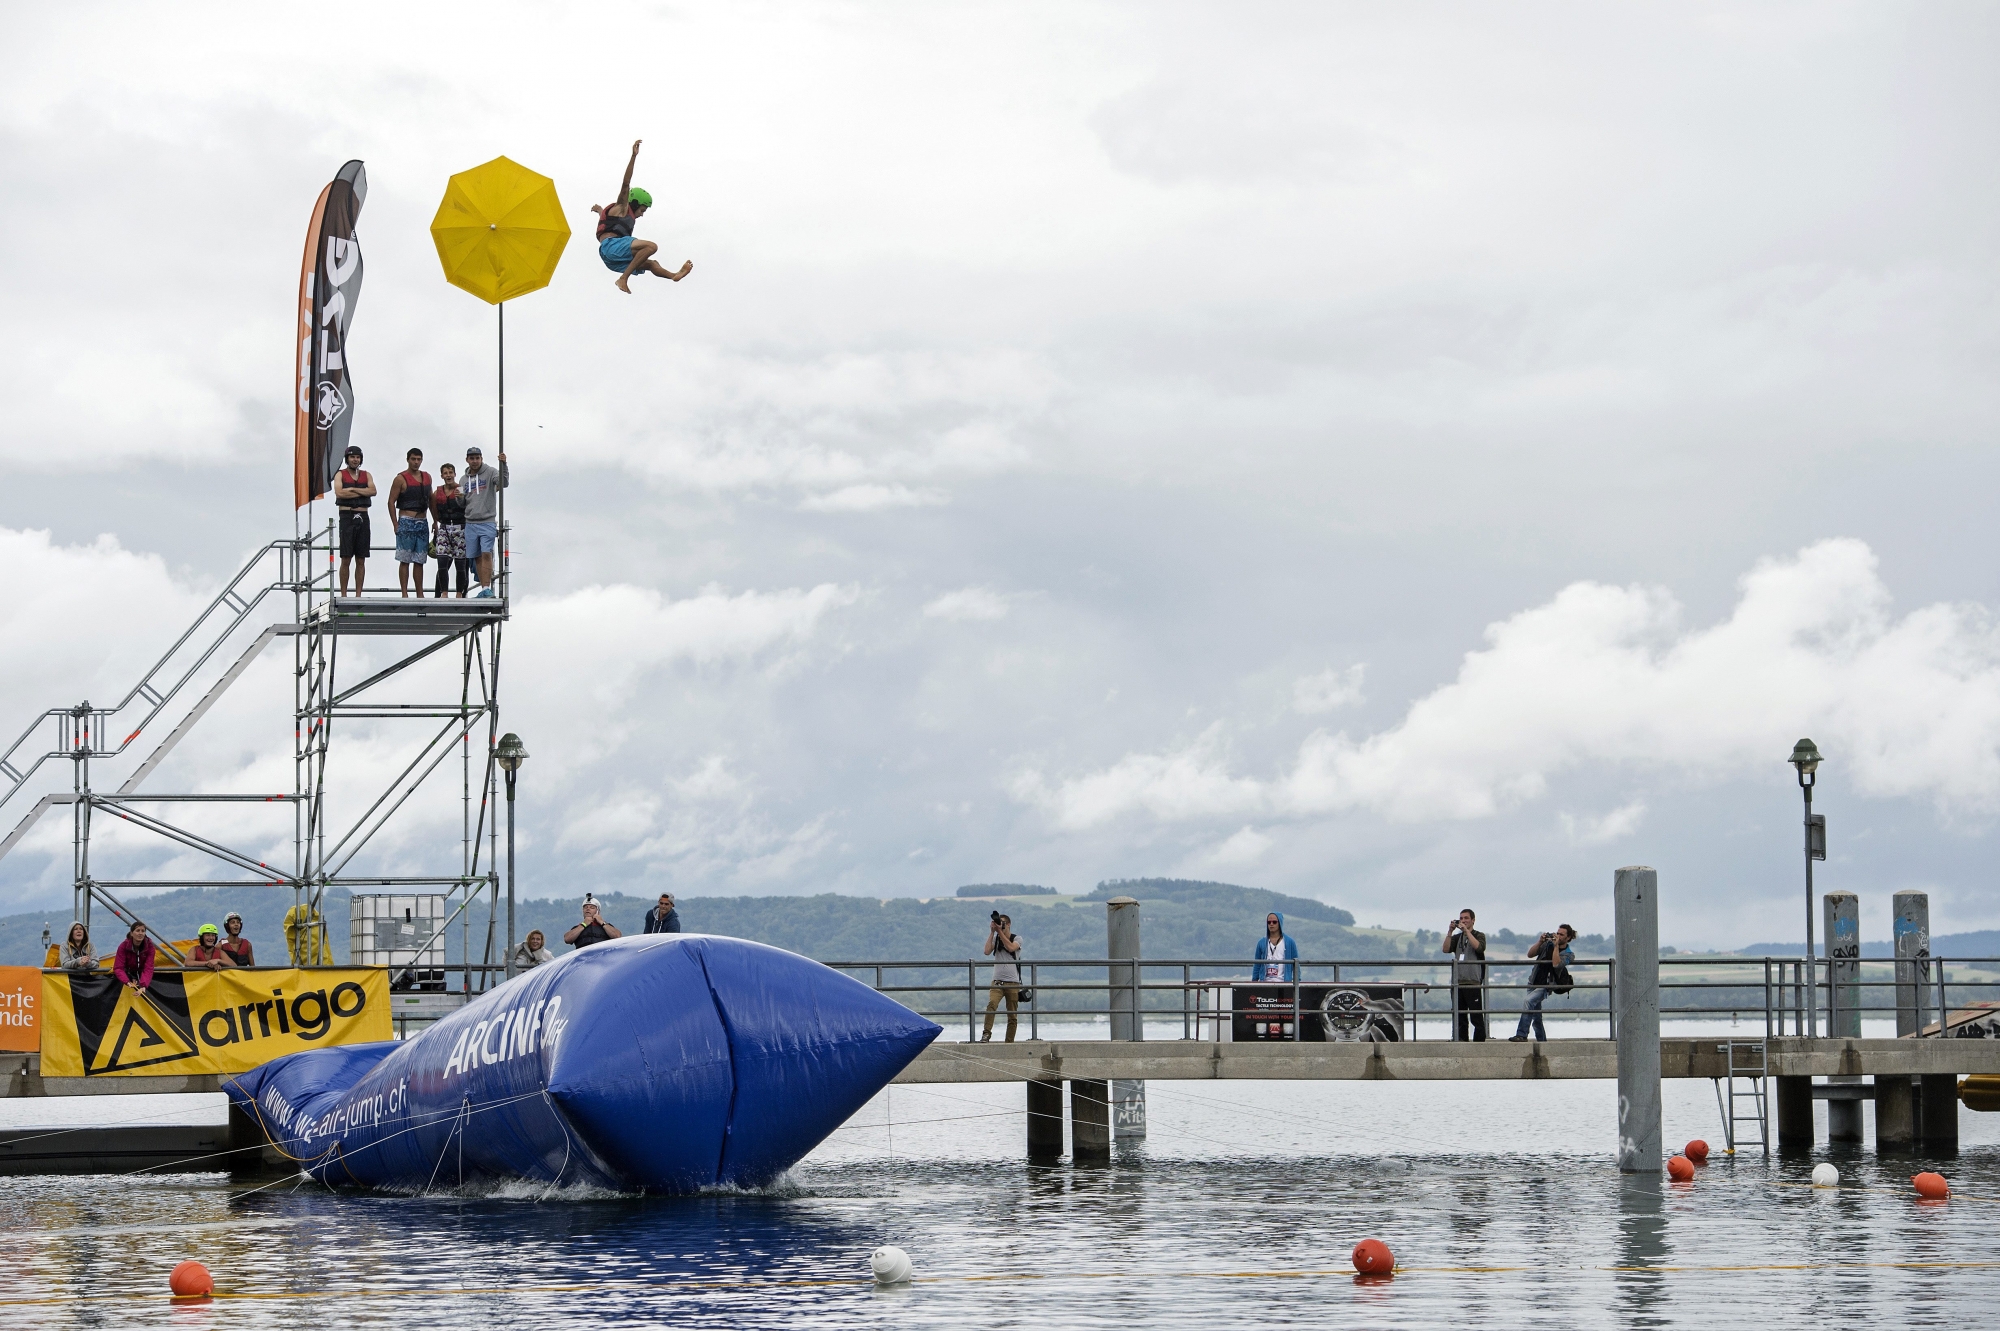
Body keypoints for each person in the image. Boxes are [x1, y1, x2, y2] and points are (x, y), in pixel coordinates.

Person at [592, 140, 693, 295]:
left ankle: (674, 276)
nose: (642, 214)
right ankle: (624, 278)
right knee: (651, 247)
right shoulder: (622, 207)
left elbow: (606, 222)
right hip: (611, 247)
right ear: (634, 203)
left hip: (611, 258)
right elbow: (626, 183)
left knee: (652, 264)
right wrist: (633, 156)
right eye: (642, 209)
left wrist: (599, 210)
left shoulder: (616, 214)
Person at [1509, 924, 1576, 1043]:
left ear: (1568, 937)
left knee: (1528, 1001)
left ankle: (1521, 1034)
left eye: (1562, 935)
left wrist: (1555, 947)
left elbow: (1556, 964)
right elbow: (1530, 954)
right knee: (1536, 1017)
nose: (1558, 936)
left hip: (1547, 985)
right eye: (1557, 933)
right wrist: (1540, 942)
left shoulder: (1569, 954)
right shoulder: (1547, 944)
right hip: (1533, 981)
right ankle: (1542, 1041)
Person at [460, 446, 508, 598]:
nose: (475, 461)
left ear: (481, 458)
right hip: (470, 522)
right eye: (472, 458)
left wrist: (504, 465)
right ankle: (483, 588)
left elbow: (503, 483)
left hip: (487, 520)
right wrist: (458, 497)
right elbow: (462, 503)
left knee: (486, 553)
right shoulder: (463, 479)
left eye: (477, 458)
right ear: (467, 460)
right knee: (476, 557)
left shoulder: (491, 471)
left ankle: (487, 588)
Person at [386, 448, 432, 599]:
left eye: (419, 459)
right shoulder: (400, 478)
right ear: (408, 459)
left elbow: (431, 500)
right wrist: (395, 524)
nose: (416, 462)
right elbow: (391, 502)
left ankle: (420, 593)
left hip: (422, 521)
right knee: (404, 559)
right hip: (406, 520)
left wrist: (436, 521)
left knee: (420, 559)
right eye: (413, 459)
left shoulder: (427, 477)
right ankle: (404, 593)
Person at [334, 445, 376, 596]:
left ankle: (358, 594)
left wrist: (352, 489)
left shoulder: (367, 475)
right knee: (346, 557)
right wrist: (362, 492)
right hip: (346, 516)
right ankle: (344, 594)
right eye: (352, 457)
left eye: (357, 457)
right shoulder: (340, 474)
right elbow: (339, 493)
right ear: (347, 459)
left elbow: (373, 491)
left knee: (361, 558)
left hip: (363, 516)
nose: (355, 460)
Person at [1442, 908, 1488, 1042]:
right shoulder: (1457, 938)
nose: (1463, 921)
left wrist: (1467, 931)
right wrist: (1450, 931)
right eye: (1461, 918)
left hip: (1473, 982)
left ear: (1473, 920)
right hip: (1458, 982)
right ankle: (1461, 1040)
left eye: (1466, 918)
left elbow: (1479, 947)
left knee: (1476, 1016)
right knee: (1459, 1016)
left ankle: (1479, 1042)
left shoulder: (1479, 935)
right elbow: (1445, 949)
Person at [980, 912, 1023, 1043]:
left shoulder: (1017, 939)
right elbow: (986, 951)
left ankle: (1009, 1042)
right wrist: (992, 932)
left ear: (1009, 924)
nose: (1001, 925)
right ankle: (986, 1034)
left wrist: (1000, 932)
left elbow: (1010, 948)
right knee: (991, 1005)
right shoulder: (996, 938)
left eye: (1003, 923)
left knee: (1012, 1015)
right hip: (997, 981)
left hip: (1013, 982)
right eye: (999, 923)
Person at [430, 462, 470, 598]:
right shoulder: (437, 492)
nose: (448, 475)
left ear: (455, 474)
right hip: (444, 528)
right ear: (442, 475)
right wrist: (435, 523)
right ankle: (444, 593)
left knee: (460, 563)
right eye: (445, 473)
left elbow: (468, 506)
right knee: (442, 561)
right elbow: (433, 508)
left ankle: (459, 593)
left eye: (450, 472)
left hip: (460, 527)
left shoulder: (461, 490)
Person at [1251, 912, 1298, 983]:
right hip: (1265, 983)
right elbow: (1257, 965)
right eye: (1269, 922)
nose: (1271, 924)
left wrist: (1297, 982)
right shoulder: (1261, 942)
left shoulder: (1290, 942)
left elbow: (1296, 965)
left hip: (1284, 983)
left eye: (1274, 922)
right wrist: (1254, 981)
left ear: (1280, 923)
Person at [112, 921, 156, 993]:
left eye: (143, 931)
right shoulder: (123, 946)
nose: (140, 933)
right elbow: (118, 967)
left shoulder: (150, 947)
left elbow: (148, 967)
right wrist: (127, 982)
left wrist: (143, 985)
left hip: (143, 976)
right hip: (128, 975)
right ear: (131, 933)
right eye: (137, 930)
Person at [285, 901, 332, 965]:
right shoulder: (317, 923)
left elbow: (291, 945)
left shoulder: (317, 925)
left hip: (316, 966)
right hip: (321, 967)